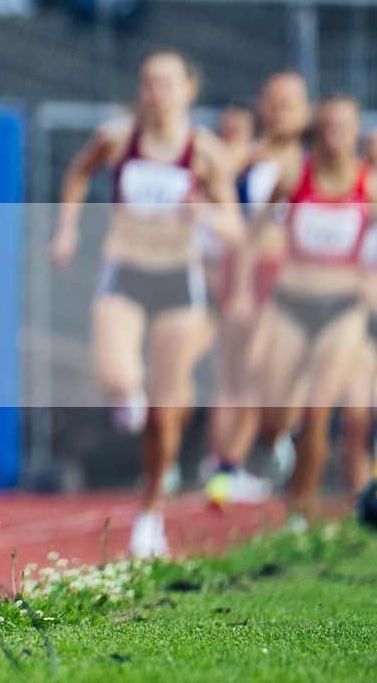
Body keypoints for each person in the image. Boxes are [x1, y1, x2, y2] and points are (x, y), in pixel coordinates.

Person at [51, 51, 241, 557]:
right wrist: (66, 229)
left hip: (179, 282)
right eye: (148, 82)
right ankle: (126, 393)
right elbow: (77, 175)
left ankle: (150, 514)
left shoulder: (207, 152)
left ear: (189, 90)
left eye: (168, 83)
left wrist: (204, 214)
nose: (157, 92)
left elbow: (235, 226)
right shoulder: (117, 138)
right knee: (116, 376)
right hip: (126, 271)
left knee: (164, 411)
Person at [226, 96, 374, 525]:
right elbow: (253, 233)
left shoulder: (367, 186)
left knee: (318, 410)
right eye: (327, 127)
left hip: (343, 310)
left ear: (355, 133)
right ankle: (277, 440)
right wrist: (240, 292)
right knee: (274, 414)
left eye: (343, 128)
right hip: (291, 304)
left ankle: (299, 511)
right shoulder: (293, 175)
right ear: (316, 130)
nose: (334, 136)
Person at [205, 72, 310, 508]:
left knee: (267, 373)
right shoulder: (245, 158)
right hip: (245, 270)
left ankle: (275, 434)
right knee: (233, 372)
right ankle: (222, 469)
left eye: (290, 103)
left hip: (293, 278)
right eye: (274, 102)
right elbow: (211, 191)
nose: (280, 111)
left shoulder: (312, 162)